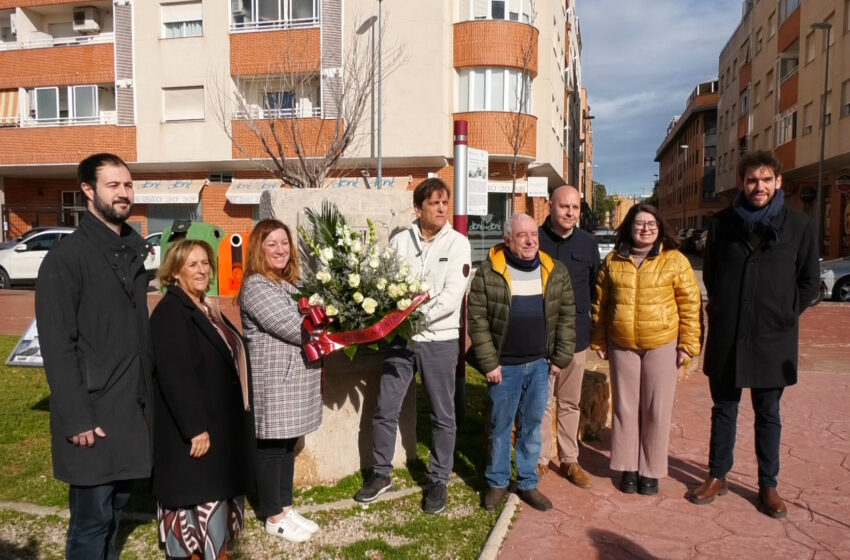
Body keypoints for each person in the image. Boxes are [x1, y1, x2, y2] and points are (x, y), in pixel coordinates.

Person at [688, 150, 819, 517]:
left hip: (772, 338)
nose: (758, 186)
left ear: (778, 182)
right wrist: (725, 308)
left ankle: (768, 485)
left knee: (768, 413)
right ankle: (717, 475)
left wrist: (784, 312)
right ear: (741, 183)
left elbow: (809, 282)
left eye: (765, 180)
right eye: (751, 180)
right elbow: (712, 274)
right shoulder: (722, 224)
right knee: (724, 408)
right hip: (729, 334)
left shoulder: (800, 226)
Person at [35, 153, 153, 559]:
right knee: (91, 520)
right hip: (92, 415)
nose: (124, 193)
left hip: (128, 410)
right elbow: (57, 345)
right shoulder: (66, 259)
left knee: (117, 511)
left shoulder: (131, 253)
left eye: (128, 185)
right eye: (113, 185)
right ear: (88, 191)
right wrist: (77, 417)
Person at [354, 178, 471, 515]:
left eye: (444, 202)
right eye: (434, 203)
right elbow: (385, 282)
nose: (441, 208)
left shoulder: (458, 244)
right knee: (385, 408)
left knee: (442, 413)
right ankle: (380, 473)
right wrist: (397, 321)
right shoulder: (400, 242)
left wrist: (414, 319)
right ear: (418, 209)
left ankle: (438, 479)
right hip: (400, 341)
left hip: (439, 340)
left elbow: (451, 297)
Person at [150, 239, 252, 559]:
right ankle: (195, 551)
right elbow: (174, 374)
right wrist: (195, 427)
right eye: (192, 264)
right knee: (195, 497)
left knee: (212, 493)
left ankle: (214, 550)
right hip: (193, 432)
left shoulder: (203, 306)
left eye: (205, 263)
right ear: (175, 271)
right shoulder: (171, 313)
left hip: (216, 423)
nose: (201, 269)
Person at [590, 204, 701, 496]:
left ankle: (651, 470)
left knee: (656, 408)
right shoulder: (614, 261)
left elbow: (690, 304)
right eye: (639, 223)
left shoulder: (674, 260)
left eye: (651, 223)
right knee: (625, 408)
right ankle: (627, 466)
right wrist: (599, 339)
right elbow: (600, 304)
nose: (646, 228)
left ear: (660, 227)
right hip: (622, 343)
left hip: (662, 343)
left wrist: (688, 344)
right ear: (629, 227)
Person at [468, 213, 576, 512]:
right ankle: (497, 482)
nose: (530, 241)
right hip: (504, 367)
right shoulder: (489, 273)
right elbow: (477, 322)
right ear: (507, 239)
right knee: (500, 427)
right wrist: (489, 363)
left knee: (531, 427)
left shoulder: (555, 271)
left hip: (540, 365)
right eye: (521, 236)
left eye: (534, 235)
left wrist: (560, 357)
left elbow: (567, 316)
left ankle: (527, 482)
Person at [239, 219, 322, 543]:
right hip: (275, 383)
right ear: (259, 249)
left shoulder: (287, 283)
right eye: (271, 243)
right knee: (272, 448)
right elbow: (295, 327)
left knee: (288, 445)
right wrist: (329, 321)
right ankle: (273, 515)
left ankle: (285, 507)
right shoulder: (257, 286)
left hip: (293, 381)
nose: (280, 249)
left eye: (284, 243)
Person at [537, 185, 600, 488]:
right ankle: (539, 459)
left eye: (575, 208)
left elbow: (594, 286)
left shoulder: (588, 243)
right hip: (540, 336)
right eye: (564, 207)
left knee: (570, 402)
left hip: (576, 335)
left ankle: (569, 460)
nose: (570, 213)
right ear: (550, 206)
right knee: (542, 401)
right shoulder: (533, 239)